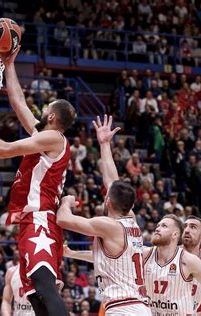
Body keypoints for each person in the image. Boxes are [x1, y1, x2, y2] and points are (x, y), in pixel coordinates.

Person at [0, 47, 75, 316]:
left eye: (46, 108)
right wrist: (8, 64)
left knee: (45, 289)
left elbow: (2, 149)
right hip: (31, 221)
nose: (42, 110)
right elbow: (18, 101)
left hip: (40, 220)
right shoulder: (45, 137)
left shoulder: (53, 138)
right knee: (36, 299)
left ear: (52, 117)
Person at [58, 115, 151, 315]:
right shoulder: (131, 221)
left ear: (107, 202)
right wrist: (104, 144)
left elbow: (63, 220)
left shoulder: (108, 226)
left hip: (123, 308)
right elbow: (112, 182)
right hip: (137, 306)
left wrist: (66, 202)